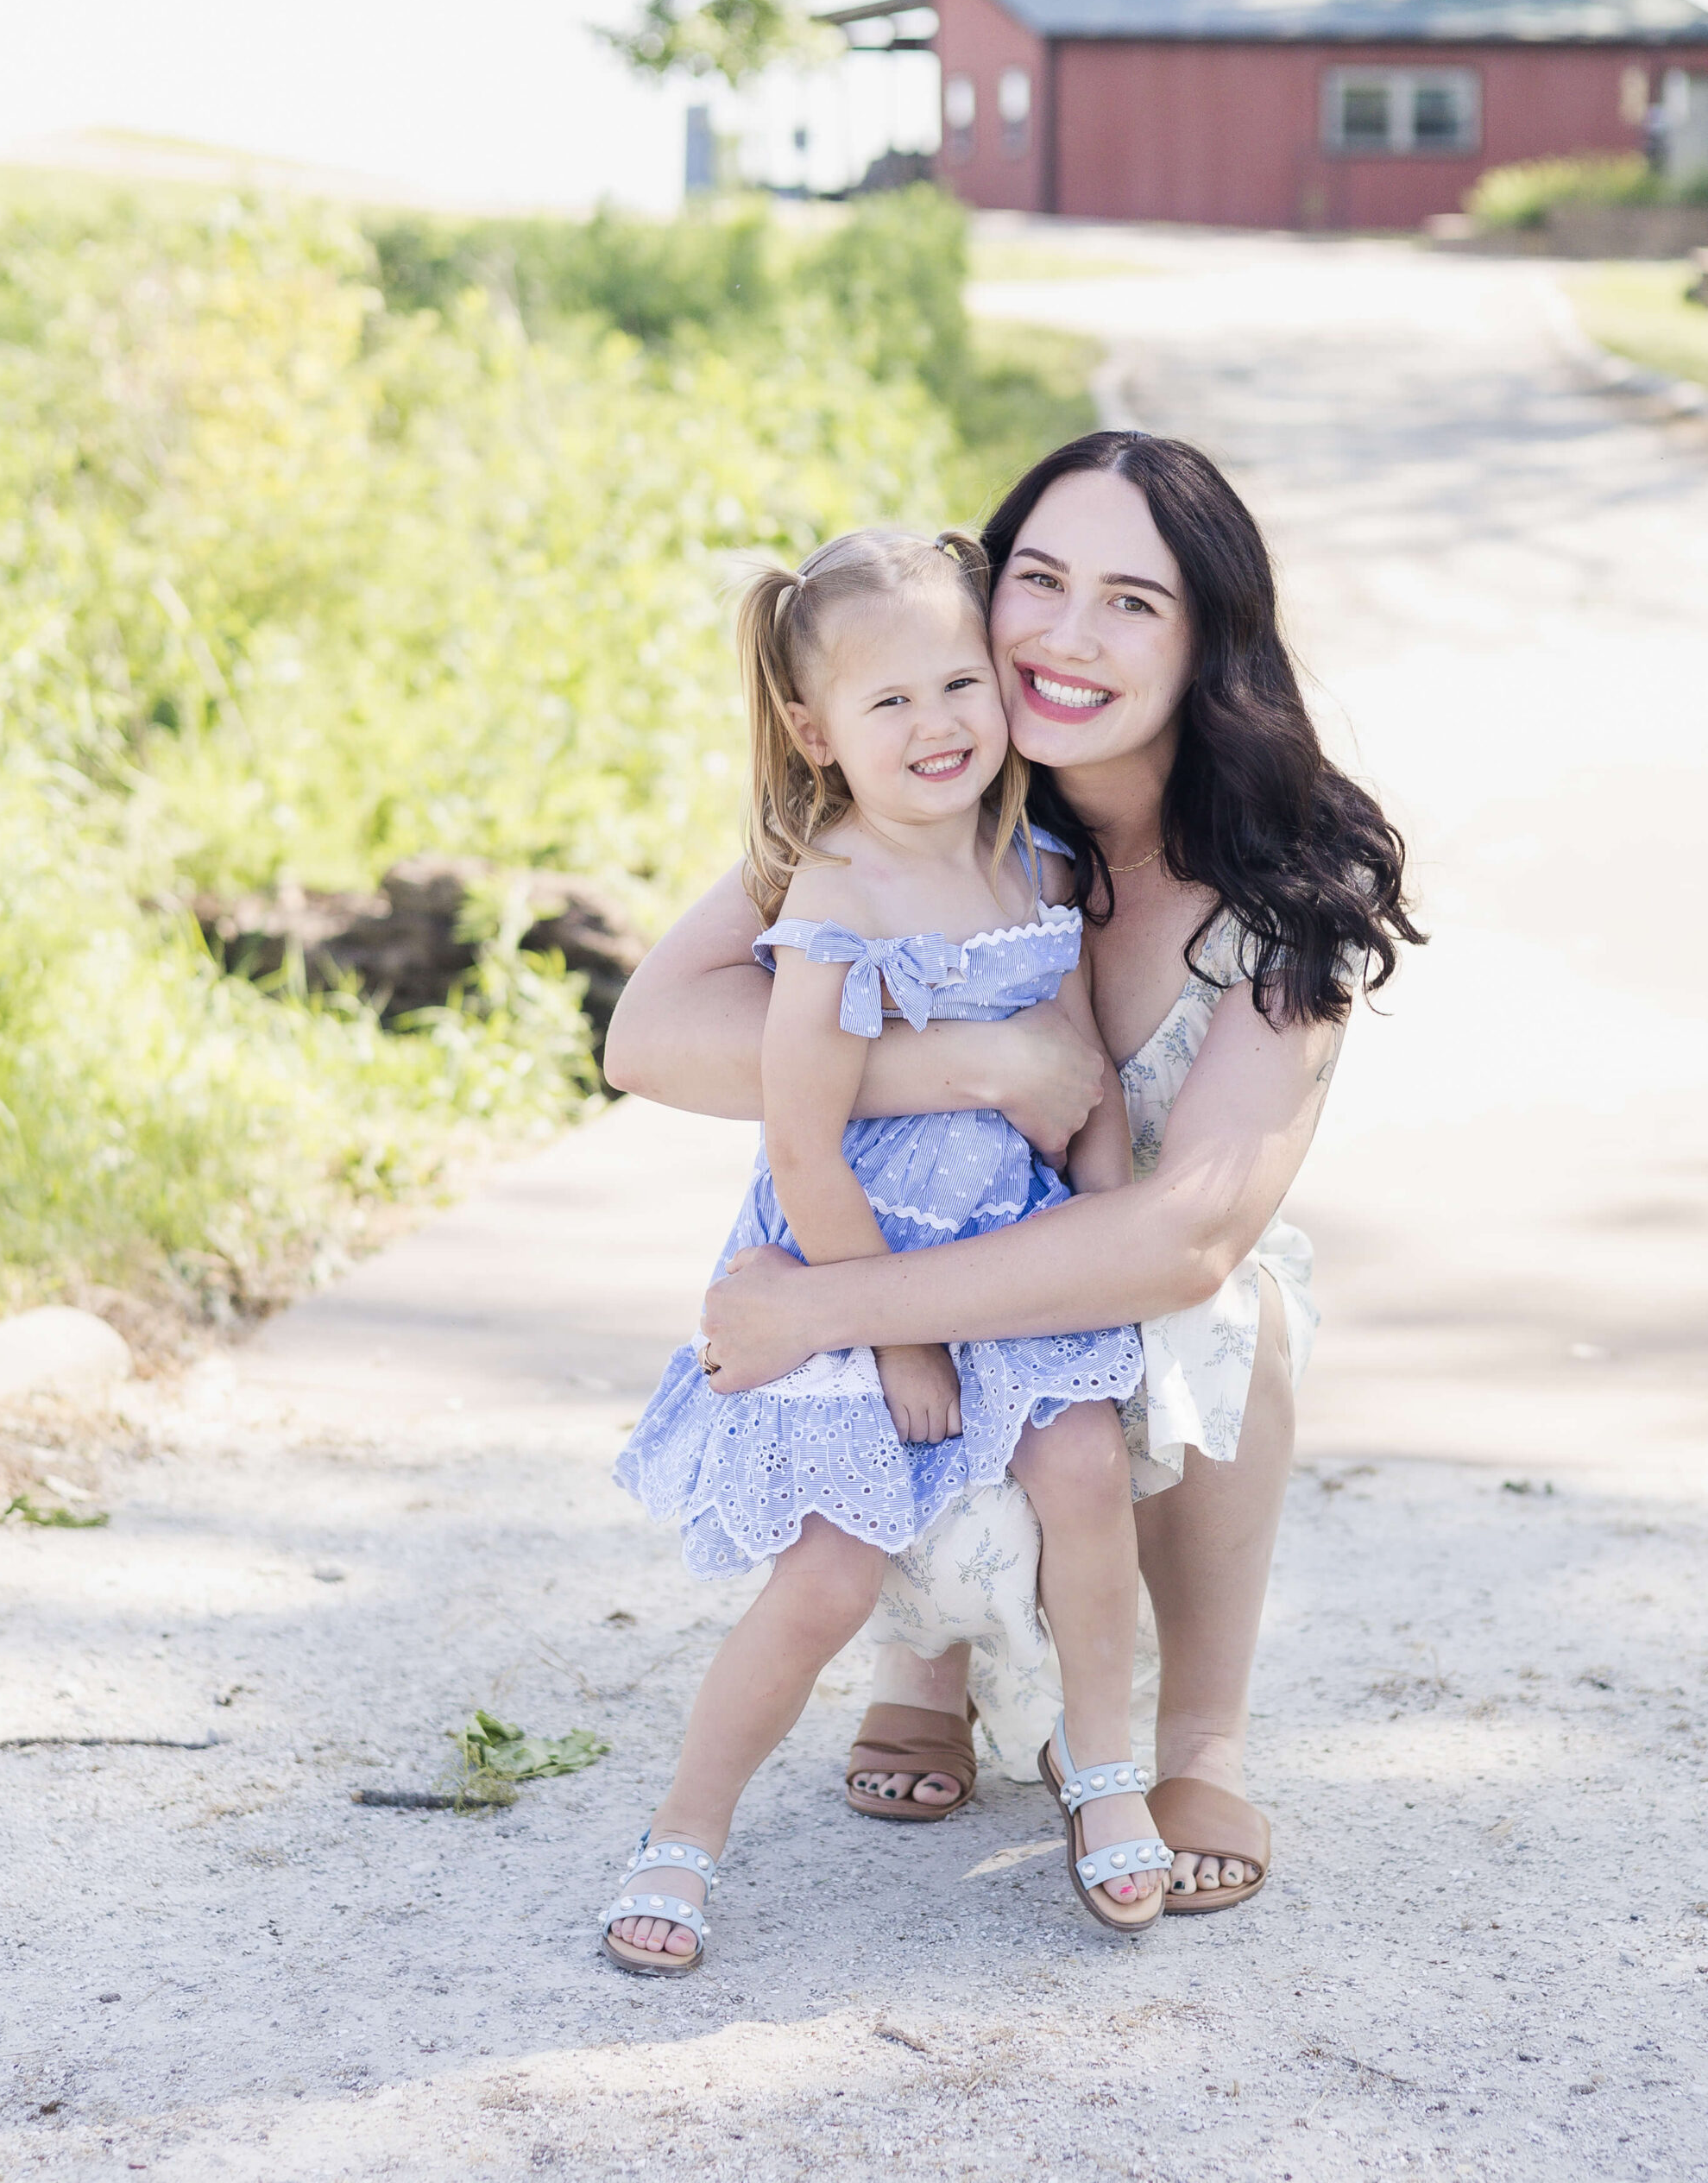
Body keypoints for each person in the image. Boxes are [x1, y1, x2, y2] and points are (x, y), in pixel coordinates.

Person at [606, 432, 1421, 1915]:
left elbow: (1186, 1234)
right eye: (1036, 581)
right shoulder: (929, 793)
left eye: (1130, 601)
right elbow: (653, 1035)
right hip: (939, 1239)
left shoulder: (1289, 877)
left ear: (1207, 639)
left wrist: (829, 1308)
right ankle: (930, 1657)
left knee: (1244, 1316)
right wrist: (972, 1066)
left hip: (1119, 1276)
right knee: (935, 1274)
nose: (1062, 634)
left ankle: (1197, 1735)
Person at [602, 525, 1173, 1978]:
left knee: (1086, 1472)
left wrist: (1104, 1225)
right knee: (826, 1577)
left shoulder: (1040, 862)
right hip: (855, 1272)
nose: (937, 729)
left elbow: (1084, 1076)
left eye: (959, 686)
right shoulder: (834, 897)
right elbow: (801, 1146)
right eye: (889, 703)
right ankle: (682, 1834)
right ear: (814, 731)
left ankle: (1104, 1772)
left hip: (1021, 1256)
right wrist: (895, 1337)